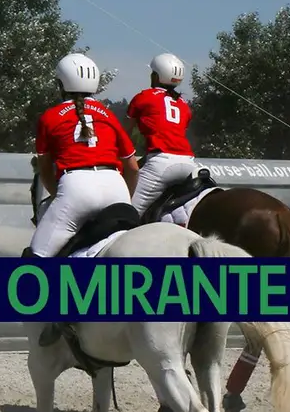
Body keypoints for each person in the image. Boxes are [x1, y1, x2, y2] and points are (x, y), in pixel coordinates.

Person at [29, 53, 139, 346]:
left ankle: (56, 319)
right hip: (115, 186)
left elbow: (43, 168)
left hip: (76, 186)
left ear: (61, 84)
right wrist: (124, 200)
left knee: (37, 259)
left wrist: (57, 196)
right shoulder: (109, 115)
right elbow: (132, 166)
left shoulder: (50, 116)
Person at [126, 52, 199, 220]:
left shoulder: (143, 97)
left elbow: (124, 136)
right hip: (189, 163)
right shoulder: (184, 105)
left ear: (156, 76)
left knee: (126, 214)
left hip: (161, 164)